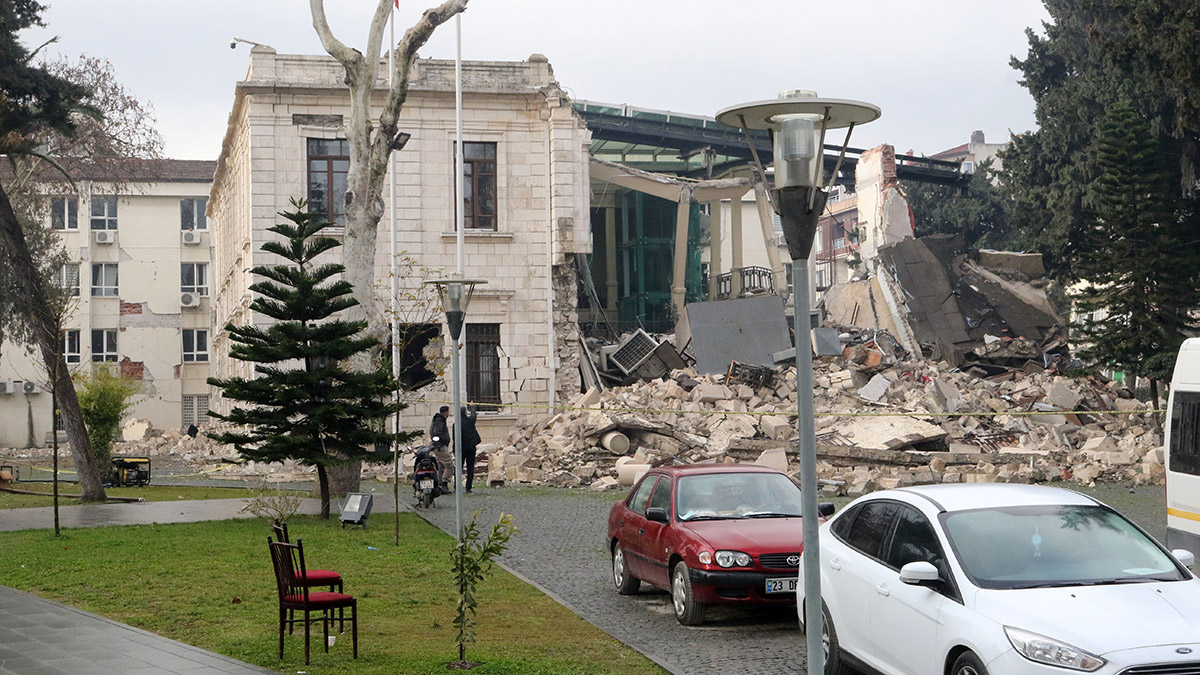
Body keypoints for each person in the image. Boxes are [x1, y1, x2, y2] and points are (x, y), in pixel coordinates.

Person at [428, 406, 453, 487]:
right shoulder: (440, 421)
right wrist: (441, 441)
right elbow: (436, 433)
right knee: (449, 466)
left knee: (441, 466)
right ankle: (444, 483)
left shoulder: (437, 420)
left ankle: (439, 484)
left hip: (438, 446)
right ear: (446, 412)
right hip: (440, 447)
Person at [459, 405, 482, 492]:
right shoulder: (470, 421)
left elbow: (454, 438)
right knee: (470, 467)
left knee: (459, 468)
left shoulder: (457, 424)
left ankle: (457, 486)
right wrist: (472, 407)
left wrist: (454, 450)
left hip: (461, 448)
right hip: (471, 447)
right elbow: (473, 415)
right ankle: (468, 487)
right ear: (465, 413)